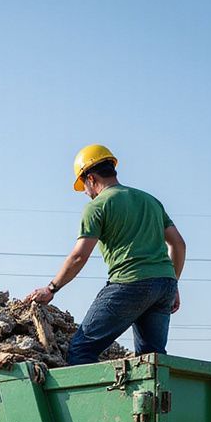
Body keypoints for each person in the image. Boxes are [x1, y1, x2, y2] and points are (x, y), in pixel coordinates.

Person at [27, 144, 186, 364]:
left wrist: (51, 288)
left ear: (90, 178)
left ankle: (86, 399)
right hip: (164, 285)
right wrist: (172, 283)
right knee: (151, 359)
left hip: (130, 283)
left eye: (83, 185)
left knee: (81, 349)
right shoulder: (151, 201)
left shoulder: (98, 206)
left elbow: (78, 256)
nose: (84, 192)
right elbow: (178, 244)